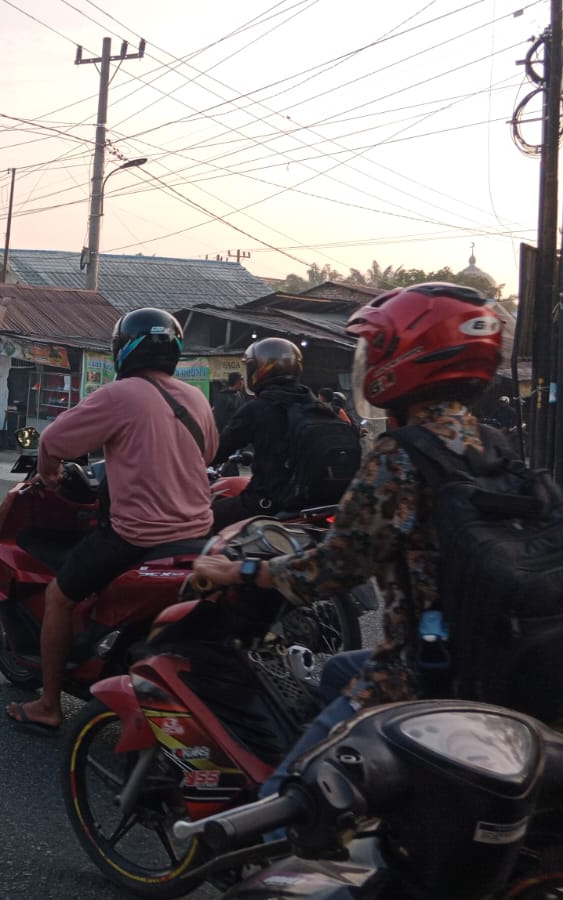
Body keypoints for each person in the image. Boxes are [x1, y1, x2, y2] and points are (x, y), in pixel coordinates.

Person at [190, 282, 505, 795]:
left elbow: (330, 571)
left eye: (375, 350)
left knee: (283, 800)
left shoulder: (403, 456)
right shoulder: (491, 447)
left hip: (421, 670)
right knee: (336, 671)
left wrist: (239, 569)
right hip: (494, 658)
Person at [5, 308, 217, 733]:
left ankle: (48, 703)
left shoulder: (121, 394)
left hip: (137, 536)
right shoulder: (195, 397)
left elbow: (54, 439)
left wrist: (48, 473)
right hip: (199, 534)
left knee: (59, 596)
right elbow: (208, 454)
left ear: (124, 349)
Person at [210, 337, 317, 528]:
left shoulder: (257, 409)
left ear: (259, 371)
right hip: (316, 504)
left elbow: (217, 451)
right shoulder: (319, 407)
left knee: (202, 520)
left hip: (268, 503)